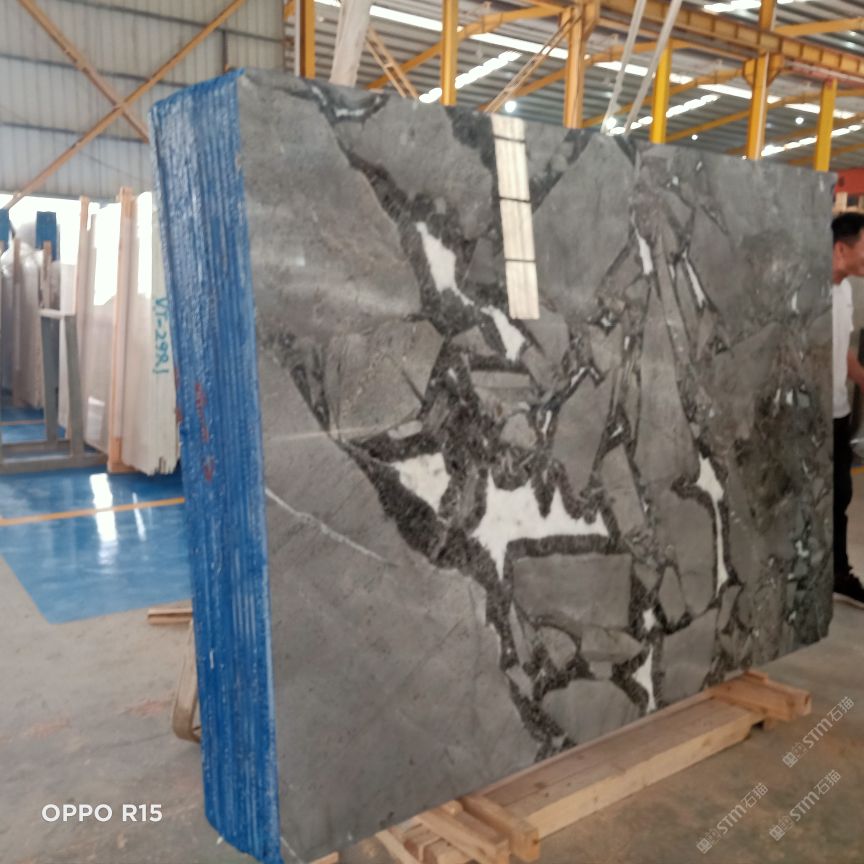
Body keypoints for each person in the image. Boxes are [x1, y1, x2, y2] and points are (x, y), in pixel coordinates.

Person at [832, 211, 864, 607]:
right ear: (842, 249)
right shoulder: (812, 294)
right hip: (808, 420)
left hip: (838, 414)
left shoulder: (846, 293)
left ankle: (838, 572)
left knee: (840, 495)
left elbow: (846, 355)